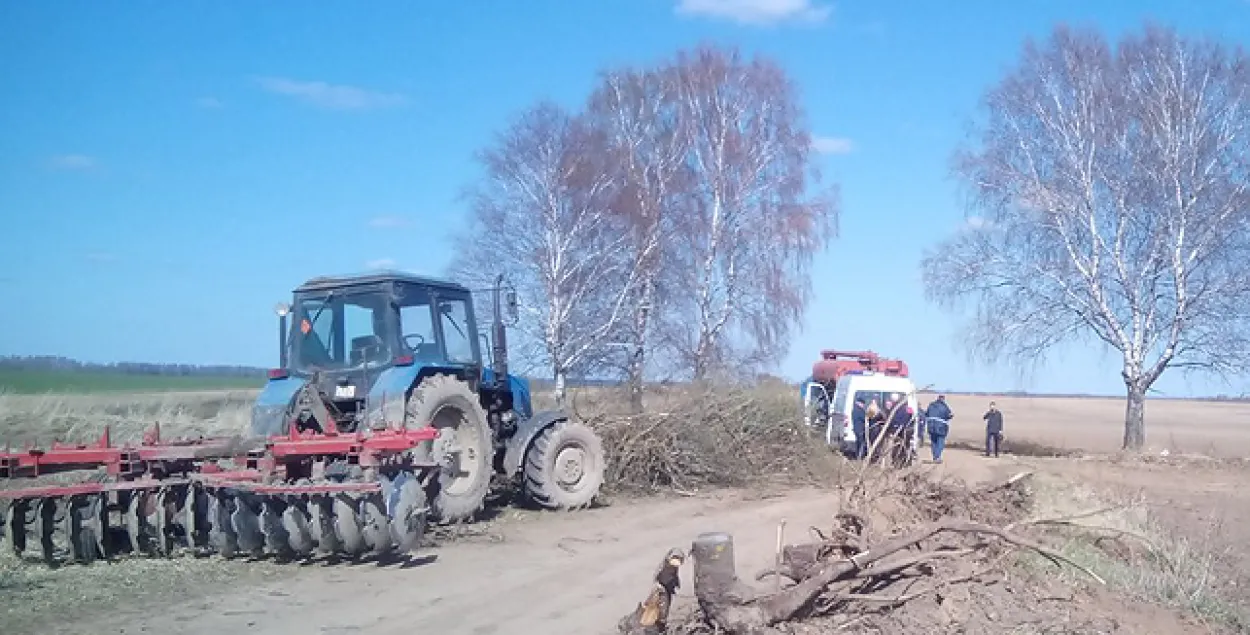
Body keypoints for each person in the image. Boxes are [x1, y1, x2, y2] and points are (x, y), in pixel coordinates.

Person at [924, 395, 953, 463]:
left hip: (931, 426)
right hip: (941, 427)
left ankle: (935, 456)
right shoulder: (945, 406)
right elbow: (948, 415)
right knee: (940, 442)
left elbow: (926, 414)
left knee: (933, 442)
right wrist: (950, 416)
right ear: (943, 399)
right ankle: (937, 457)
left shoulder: (931, 405)